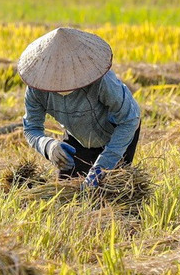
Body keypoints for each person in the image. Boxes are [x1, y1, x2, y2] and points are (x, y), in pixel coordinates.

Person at [17, 27, 141, 188]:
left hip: (116, 134)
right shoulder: (36, 89)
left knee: (111, 192)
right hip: (77, 136)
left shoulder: (103, 82)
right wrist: (48, 146)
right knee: (67, 194)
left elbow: (129, 120)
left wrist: (103, 166)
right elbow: (31, 128)